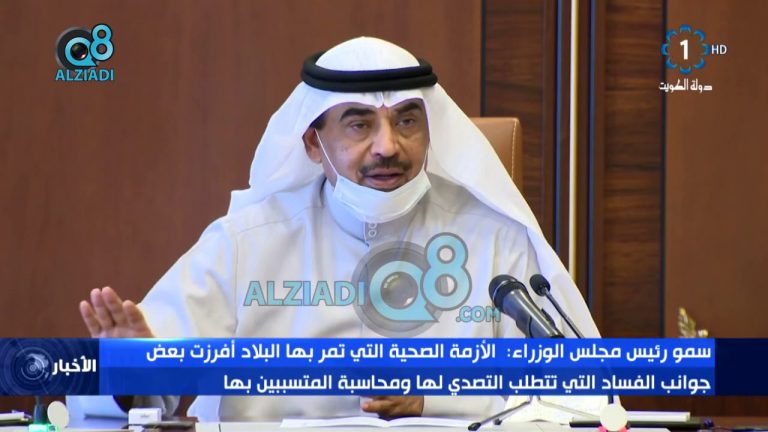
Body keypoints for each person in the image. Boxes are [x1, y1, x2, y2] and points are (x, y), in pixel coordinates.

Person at [72, 36, 600, 422]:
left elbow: (575, 399)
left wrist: (432, 400)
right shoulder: (246, 243)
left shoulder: (496, 240)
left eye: (407, 121)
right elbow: (140, 399)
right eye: (358, 124)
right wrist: (131, 369)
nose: (387, 146)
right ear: (312, 143)